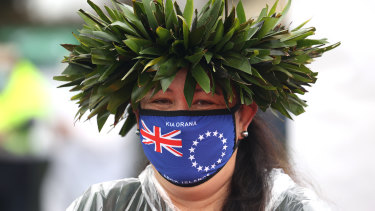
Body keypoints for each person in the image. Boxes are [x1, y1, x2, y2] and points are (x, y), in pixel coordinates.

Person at [57, 0, 339, 210]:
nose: (181, 117)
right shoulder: (102, 205)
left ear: (244, 117)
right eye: (162, 102)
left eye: (203, 102)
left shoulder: (290, 208)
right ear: (139, 116)